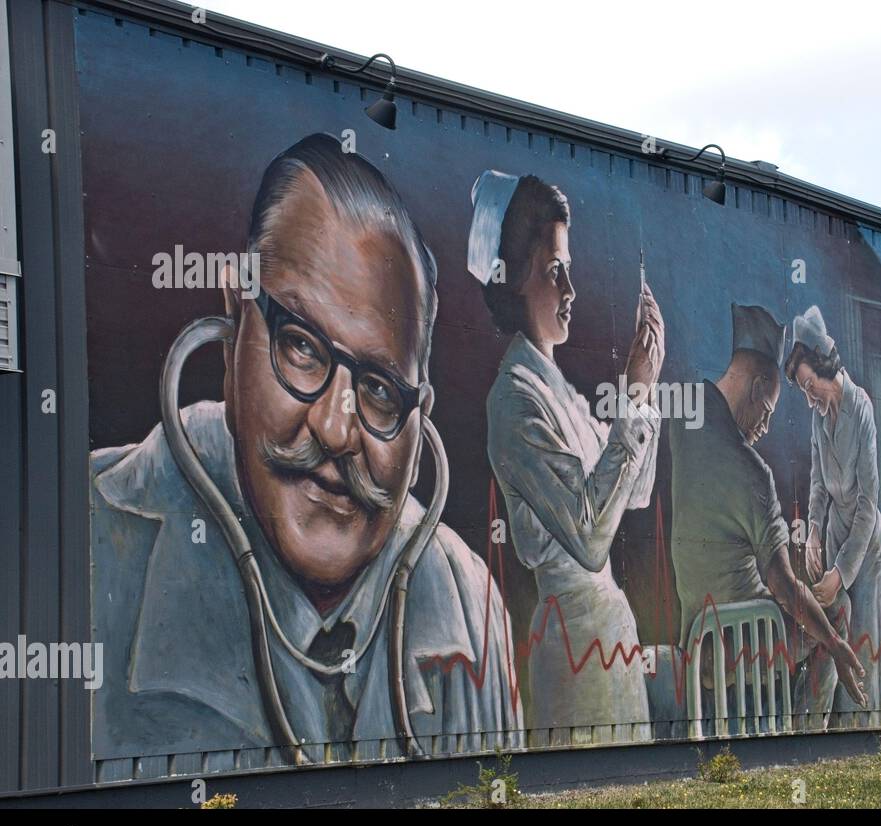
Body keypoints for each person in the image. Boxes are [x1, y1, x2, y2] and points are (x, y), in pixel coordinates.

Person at [90, 134, 520, 776]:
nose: (336, 428)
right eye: (302, 347)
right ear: (234, 337)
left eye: (378, 389)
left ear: (417, 415)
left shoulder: (473, 607)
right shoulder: (79, 534)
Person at [474, 170, 665, 743]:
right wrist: (629, 404)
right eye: (555, 271)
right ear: (510, 278)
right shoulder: (515, 402)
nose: (571, 291)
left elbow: (634, 494)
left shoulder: (558, 390)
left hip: (606, 637)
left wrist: (641, 396)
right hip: (575, 648)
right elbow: (587, 539)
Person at [668, 304, 866, 732]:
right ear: (758, 388)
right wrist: (834, 645)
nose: (765, 427)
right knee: (837, 609)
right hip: (745, 643)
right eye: (771, 410)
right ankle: (804, 735)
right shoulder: (752, 472)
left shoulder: (684, 419)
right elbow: (783, 585)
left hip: (696, 640)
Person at [788, 304, 881, 727]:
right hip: (837, 533)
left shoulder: (861, 409)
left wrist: (840, 571)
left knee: (868, 648)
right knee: (836, 639)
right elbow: (818, 485)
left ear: (825, 367)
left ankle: (877, 740)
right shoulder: (820, 419)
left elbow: (867, 500)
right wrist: (815, 533)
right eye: (802, 390)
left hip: (866, 548)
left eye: (809, 385)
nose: (808, 397)